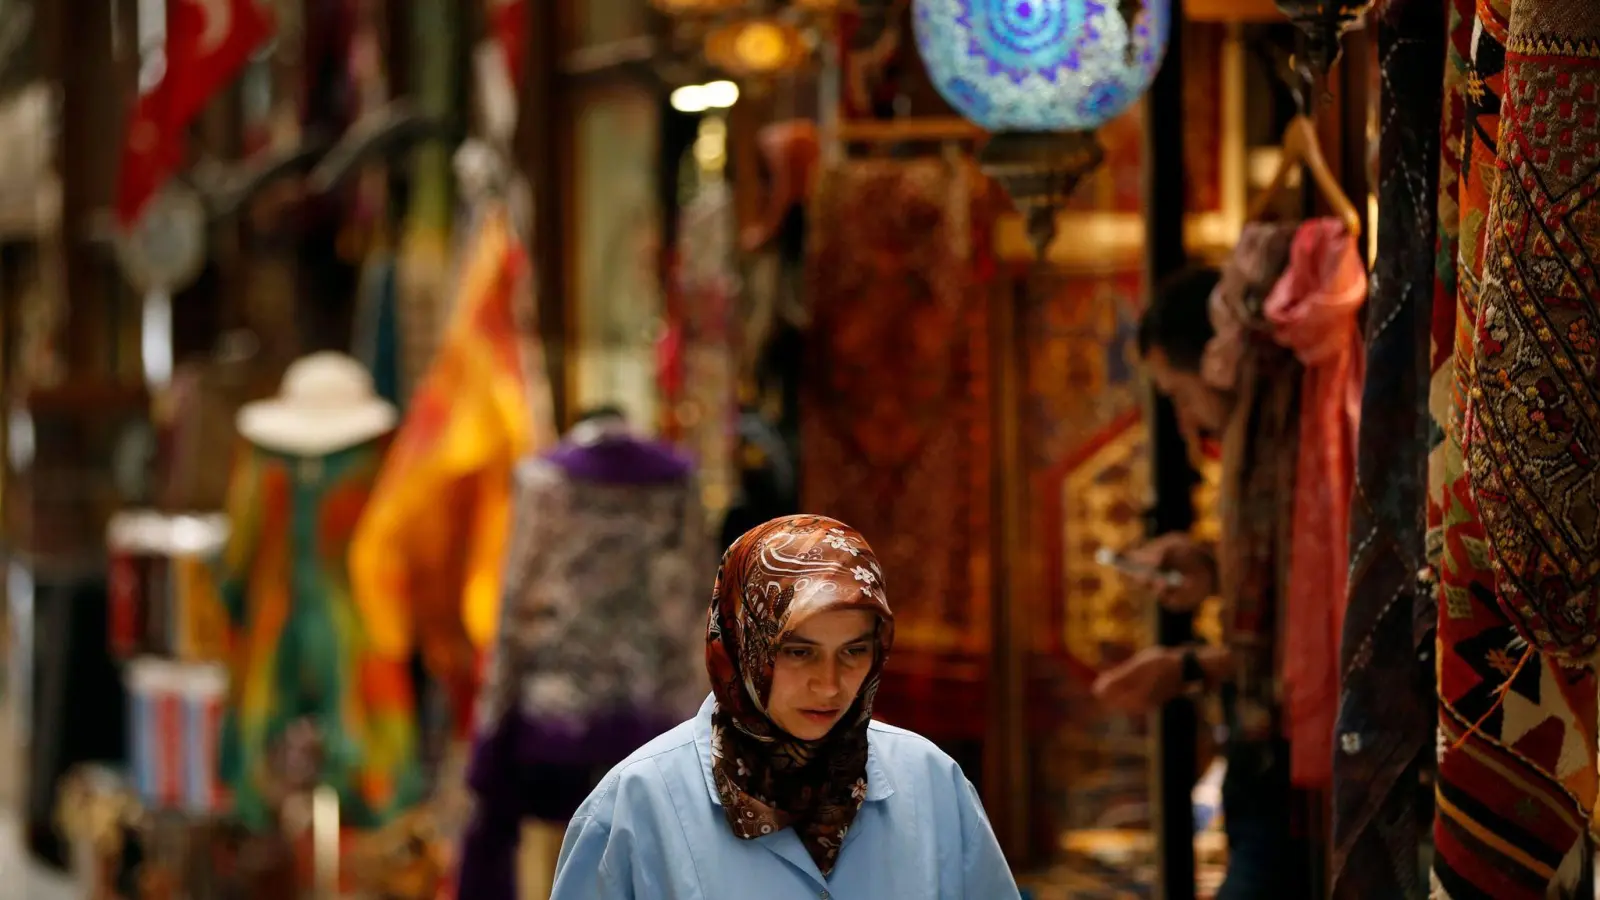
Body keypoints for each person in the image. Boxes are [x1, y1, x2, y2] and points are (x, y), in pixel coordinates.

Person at [549, 514, 1021, 899]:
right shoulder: (636, 806)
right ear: (741, 644)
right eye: (798, 651)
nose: (830, 684)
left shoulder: (932, 785)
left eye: (854, 651)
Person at [1092, 263, 1319, 900]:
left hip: (1290, 772)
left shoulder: (1286, 440)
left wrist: (1188, 668)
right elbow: (1285, 583)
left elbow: (1309, 638)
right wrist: (1213, 570)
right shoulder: (1260, 439)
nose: (1188, 425)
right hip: (1265, 766)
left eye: (1178, 395)